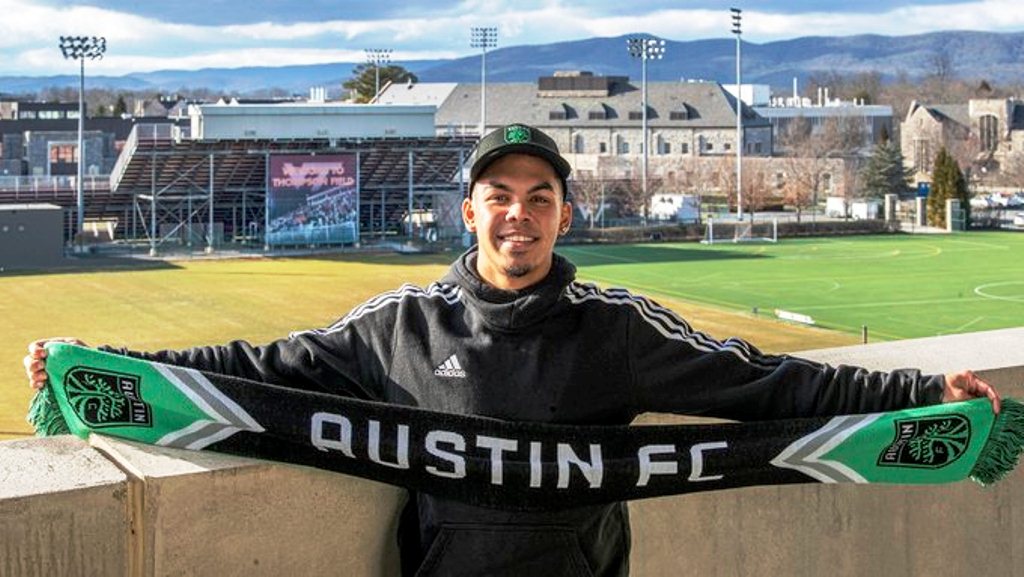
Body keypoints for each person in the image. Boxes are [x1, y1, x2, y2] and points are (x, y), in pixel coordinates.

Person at [25, 123, 1000, 577]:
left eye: (539, 197)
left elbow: (765, 383)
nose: (518, 214)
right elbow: (261, 371)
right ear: (470, 212)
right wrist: (100, 366)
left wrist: (916, 390)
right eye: (499, 196)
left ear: (564, 213)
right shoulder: (399, 325)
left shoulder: (616, 328)